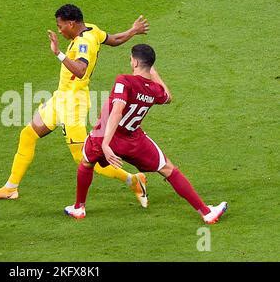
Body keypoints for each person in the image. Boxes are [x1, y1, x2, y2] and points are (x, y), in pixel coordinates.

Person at [0, 4, 150, 206]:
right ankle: (10, 188)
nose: (60, 31)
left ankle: (133, 180)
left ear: (71, 23)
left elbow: (80, 70)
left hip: (73, 105)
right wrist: (133, 30)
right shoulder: (92, 29)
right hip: (60, 99)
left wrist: (58, 53)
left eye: (61, 26)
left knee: (84, 159)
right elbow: (114, 40)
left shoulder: (84, 43)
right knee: (27, 134)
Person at [64, 44, 227, 224]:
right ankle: (206, 212)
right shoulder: (154, 90)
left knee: (86, 163)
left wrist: (105, 144)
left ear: (134, 61)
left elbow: (117, 110)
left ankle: (79, 208)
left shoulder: (124, 80)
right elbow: (168, 97)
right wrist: (153, 72)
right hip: (133, 140)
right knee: (168, 170)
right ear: (150, 65)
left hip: (105, 135)